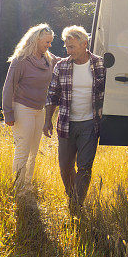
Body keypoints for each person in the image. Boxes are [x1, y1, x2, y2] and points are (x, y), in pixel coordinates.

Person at [45, 25, 106, 214]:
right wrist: (47, 120)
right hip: (66, 124)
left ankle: (75, 207)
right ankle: (72, 196)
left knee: (85, 167)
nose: (68, 51)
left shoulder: (99, 64)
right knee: (65, 167)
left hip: (90, 124)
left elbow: (108, 93)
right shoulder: (61, 66)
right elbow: (52, 94)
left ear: (84, 44)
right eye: (67, 47)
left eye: (72, 47)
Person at [1, 23, 56, 189]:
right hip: (22, 108)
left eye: (50, 42)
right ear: (36, 41)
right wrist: (8, 113)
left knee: (34, 150)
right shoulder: (21, 61)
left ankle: (27, 185)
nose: (49, 45)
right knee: (23, 150)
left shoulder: (48, 59)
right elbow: (8, 87)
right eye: (46, 42)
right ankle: (18, 189)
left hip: (39, 110)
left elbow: (65, 61)